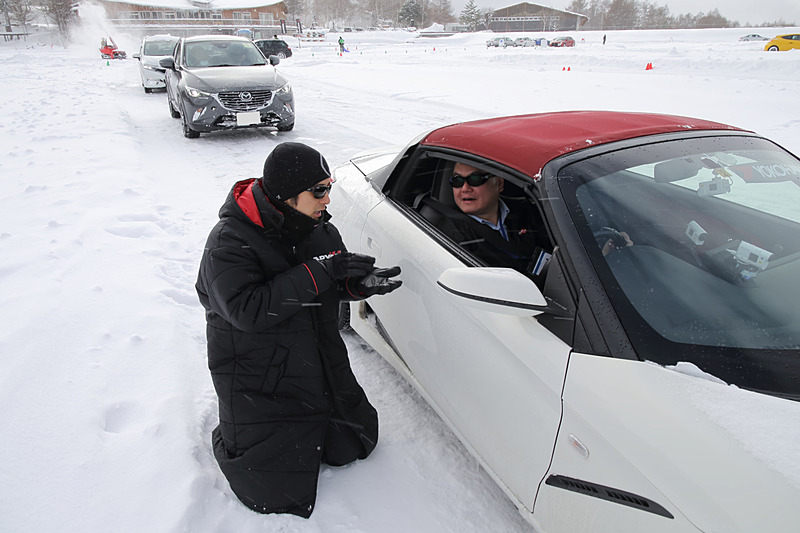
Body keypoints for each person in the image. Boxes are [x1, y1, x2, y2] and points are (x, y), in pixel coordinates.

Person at [196, 142, 401, 518]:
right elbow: (248, 310)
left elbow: (329, 282)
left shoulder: (319, 230)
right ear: (286, 195)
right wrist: (322, 271)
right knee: (271, 490)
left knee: (356, 445)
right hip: (260, 374)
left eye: (329, 187)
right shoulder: (228, 241)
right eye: (318, 190)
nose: (327, 198)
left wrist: (359, 286)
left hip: (318, 362)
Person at [438, 162, 550, 276]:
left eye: (475, 179)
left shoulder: (528, 211)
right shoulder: (450, 236)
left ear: (499, 184)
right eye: (458, 181)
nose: (465, 188)